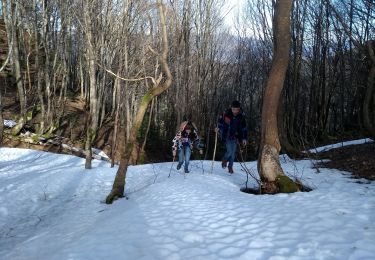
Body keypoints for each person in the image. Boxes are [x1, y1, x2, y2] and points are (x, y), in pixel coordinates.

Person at [216, 100, 248, 174]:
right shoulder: (226, 113)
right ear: (231, 108)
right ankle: (224, 160)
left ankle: (230, 166)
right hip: (226, 135)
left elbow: (244, 128)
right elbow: (220, 122)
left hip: (236, 136)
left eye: (236, 109)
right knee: (229, 151)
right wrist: (218, 128)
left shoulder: (241, 116)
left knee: (233, 153)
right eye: (233, 109)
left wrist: (244, 138)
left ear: (239, 109)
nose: (234, 111)